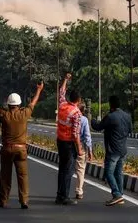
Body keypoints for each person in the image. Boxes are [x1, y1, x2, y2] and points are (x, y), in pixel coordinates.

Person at [0, 81, 44, 209]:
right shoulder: (24, 114)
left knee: (5, 176)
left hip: (6, 149)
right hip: (21, 150)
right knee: (23, 177)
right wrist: (39, 90)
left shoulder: (4, 115)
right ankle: (24, 201)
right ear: (19, 104)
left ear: (9, 104)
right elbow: (33, 102)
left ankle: (4, 200)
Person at [91, 95, 132, 206]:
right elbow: (130, 130)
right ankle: (120, 195)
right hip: (122, 149)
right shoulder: (127, 116)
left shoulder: (110, 117)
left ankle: (116, 194)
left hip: (112, 150)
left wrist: (92, 119)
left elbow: (98, 127)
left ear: (111, 104)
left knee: (108, 173)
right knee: (118, 173)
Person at [55, 73, 84, 205]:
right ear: (78, 100)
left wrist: (65, 80)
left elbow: (61, 93)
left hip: (60, 141)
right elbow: (75, 134)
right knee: (68, 170)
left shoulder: (62, 106)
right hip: (68, 144)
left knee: (62, 169)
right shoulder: (76, 113)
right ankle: (64, 196)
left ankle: (59, 195)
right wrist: (80, 150)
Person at [75, 102, 93, 199]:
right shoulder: (84, 120)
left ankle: (62, 192)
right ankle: (79, 191)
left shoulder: (70, 117)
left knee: (67, 169)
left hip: (68, 145)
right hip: (81, 146)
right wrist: (90, 150)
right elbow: (87, 136)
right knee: (80, 169)